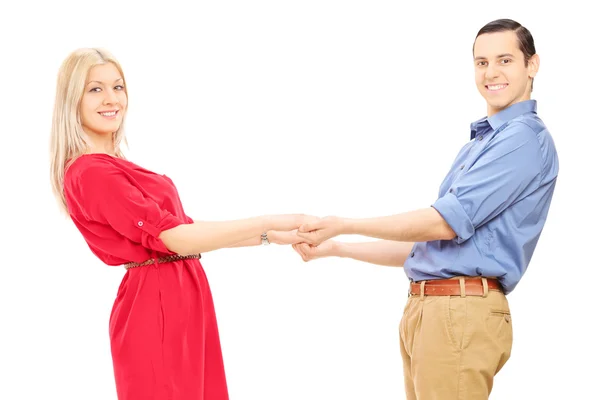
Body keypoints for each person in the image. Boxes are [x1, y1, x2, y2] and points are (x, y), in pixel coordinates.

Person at [292, 18, 559, 399]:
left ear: (531, 65)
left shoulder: (522, 140)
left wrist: (344, 224)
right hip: (432, 308)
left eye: (505, 60)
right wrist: (337, 247)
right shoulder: (480, 144)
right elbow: (427, 245)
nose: (491, 72)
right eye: (481, 62)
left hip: (458, 310)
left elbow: (441, 224)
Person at [49, 48, 316, 400]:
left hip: (179, 297)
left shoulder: (113, 165)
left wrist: (267, 236)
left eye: (118, 87)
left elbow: (183, 229)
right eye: (95, 89)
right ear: (73, 100)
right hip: (157, 305)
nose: (111, 99)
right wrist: (266, 220)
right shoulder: (92, 173)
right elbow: (173, 237)